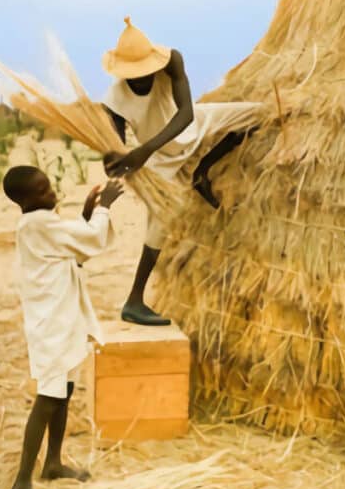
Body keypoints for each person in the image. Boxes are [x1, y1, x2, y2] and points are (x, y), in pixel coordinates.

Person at [101, 17, 260, 326]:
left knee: (256, 115)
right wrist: (120, 162)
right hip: (160, 160)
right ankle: (134, 299)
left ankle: (203, 170)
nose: (145, 78)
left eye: (147, 70)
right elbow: (114, 150)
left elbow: (186, 114)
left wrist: (143, 149)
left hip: (191, 127)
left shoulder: (172, 61)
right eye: (137, 75)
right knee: (160, 223)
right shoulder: (114, 102)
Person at [2, 165, 124, 489]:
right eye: (41, 192)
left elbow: (74, 245)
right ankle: (20, 483)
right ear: (23, 200)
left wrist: (85, 213)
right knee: (48, 398)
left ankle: (53, 463)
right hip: (51, 325)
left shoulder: (42, 222)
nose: (51, 194)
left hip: (62, 319)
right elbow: (89, 240)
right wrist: (103, 208)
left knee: (64, 392)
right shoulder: (38, 223)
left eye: (49, 186)